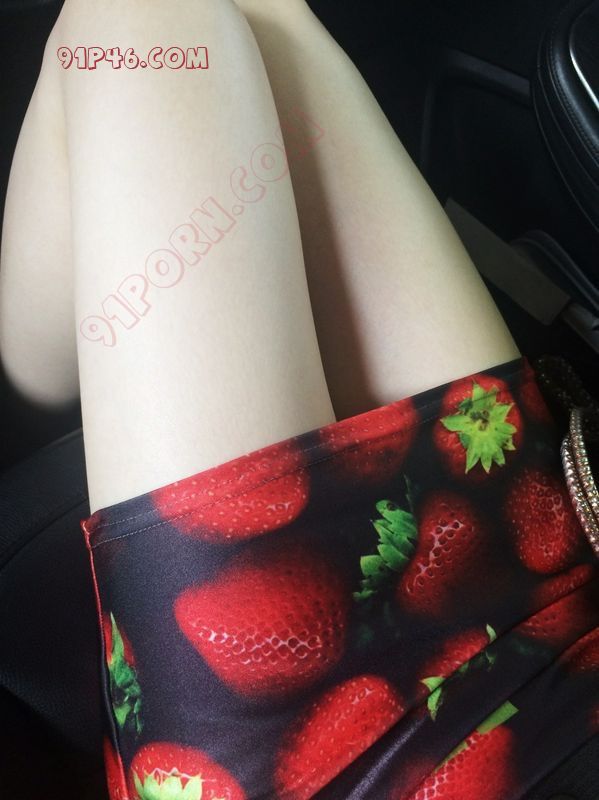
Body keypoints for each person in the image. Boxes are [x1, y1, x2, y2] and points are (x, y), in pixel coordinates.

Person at [1, 1, 597, 798]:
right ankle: (44, 391)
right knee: (263, 12)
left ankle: (30, 404)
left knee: (135, 22)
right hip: (561, 632)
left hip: (353, 779)